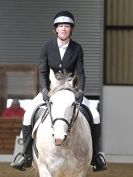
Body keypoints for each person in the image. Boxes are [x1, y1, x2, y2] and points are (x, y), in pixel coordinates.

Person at [10, 11, 107, 172]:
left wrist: (81, 90)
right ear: (55, 29)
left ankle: (96, 156)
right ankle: (25, 156)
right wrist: (43, 90)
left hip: (71, 89)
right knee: (28, 115)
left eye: (67, 26)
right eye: (60, 26)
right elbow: (42, 71)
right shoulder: (47, 47)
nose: (63, 29)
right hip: (51, 89)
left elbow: (81, 72)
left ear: (71, 29)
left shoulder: (77, 48)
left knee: (95, 115)